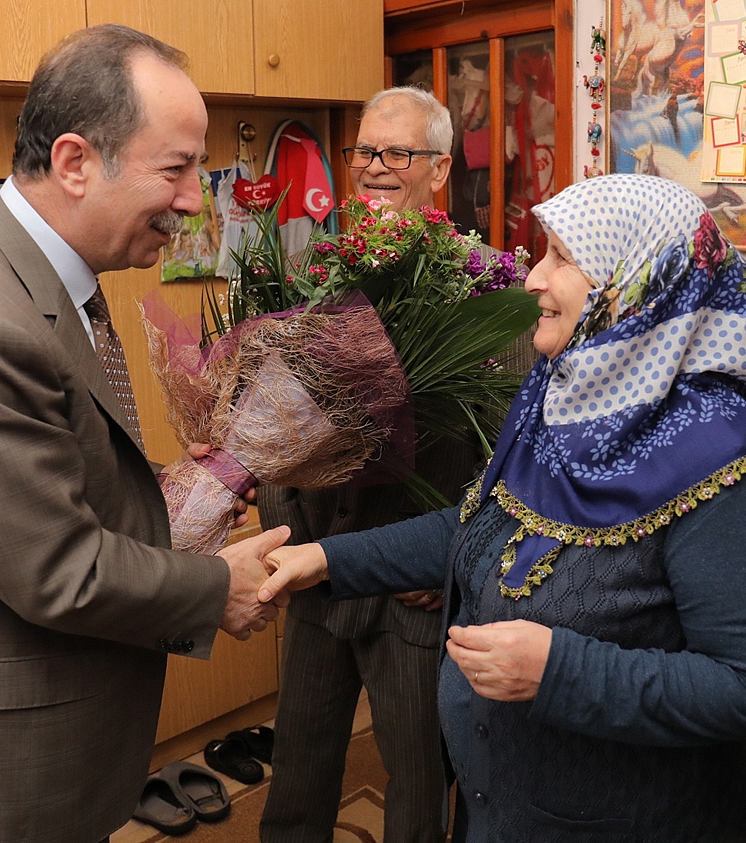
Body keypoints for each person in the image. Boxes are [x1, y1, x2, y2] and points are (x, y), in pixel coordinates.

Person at [258, 174, 746, 842]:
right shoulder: (561, 408)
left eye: (561, 258)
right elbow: (478, 522)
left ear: (635, 286)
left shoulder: (729, 479)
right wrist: (320, 558)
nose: (532, 280)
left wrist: (560, 671)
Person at [0, 24, 291, 843]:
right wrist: (216, 588)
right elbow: (54, 567)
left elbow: (37, 471)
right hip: (6, 750)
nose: (198, 198)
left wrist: (161, 485)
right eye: (178, 168)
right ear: (75, 162)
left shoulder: (31, 274)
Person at [257, 86, 488, 843]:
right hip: (319, 575)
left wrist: (452, 559)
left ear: (441, 167)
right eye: (364, 152)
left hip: (412, 594)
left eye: (397, 153)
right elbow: (275, 425)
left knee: (420, 793)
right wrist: (285, 529)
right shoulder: (321, 275)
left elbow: (511, 452)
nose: (375, 169)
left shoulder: (488, 285)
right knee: (296, 777)